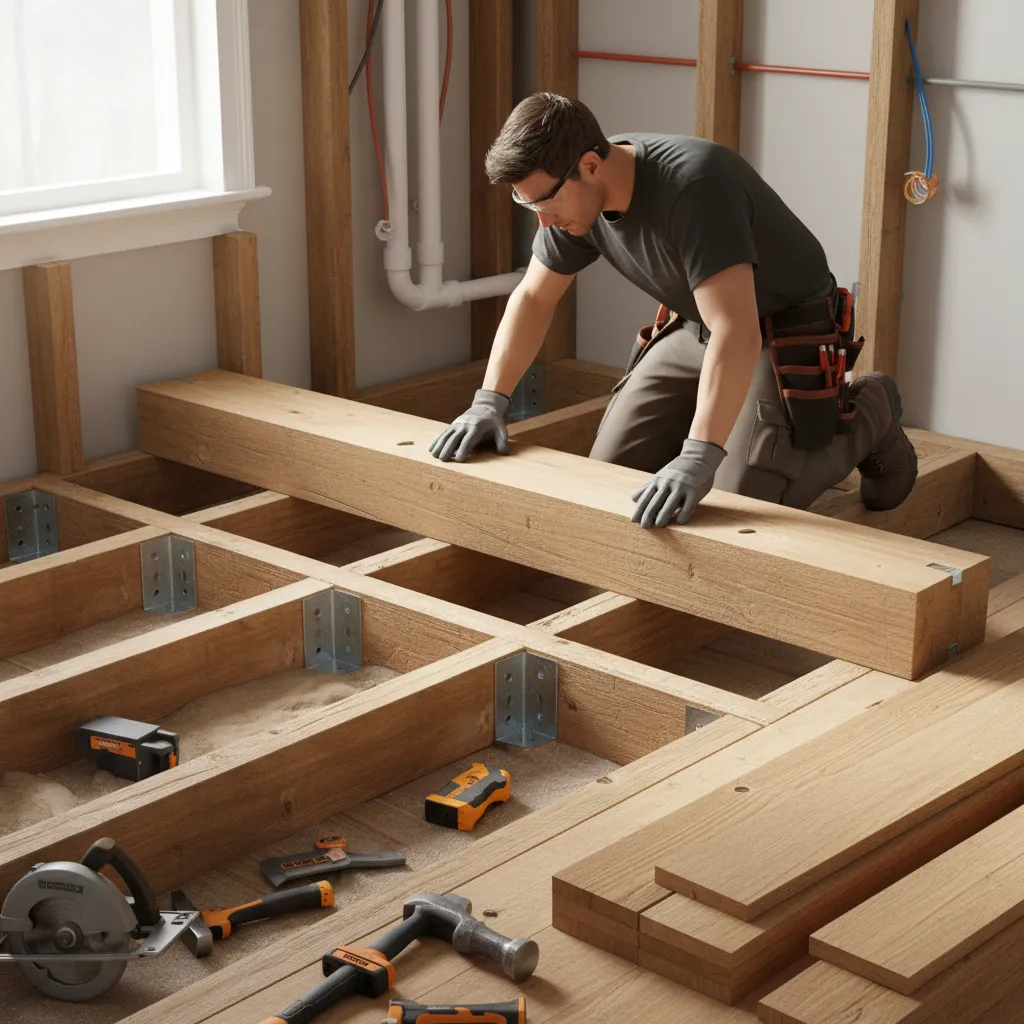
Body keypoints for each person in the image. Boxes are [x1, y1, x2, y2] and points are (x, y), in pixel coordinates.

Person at [428, 92, 918, 529]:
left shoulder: (695, 189)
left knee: (740, 503)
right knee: (608, 480)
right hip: (697, 327)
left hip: (779, 331)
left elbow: (737, 330)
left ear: (590, 166)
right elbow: (534, 297)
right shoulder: (570, 197)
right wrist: (490, 400)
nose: (543, 219)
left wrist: (699, 457)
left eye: (545, 201)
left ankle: (873, 409)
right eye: (525, 202)